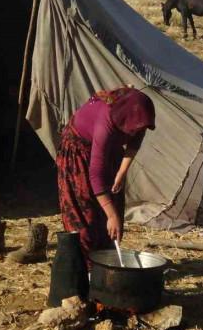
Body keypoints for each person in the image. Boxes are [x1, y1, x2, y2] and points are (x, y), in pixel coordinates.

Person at [56, 86, 156, 267]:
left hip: (109, 151)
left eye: (138, 129)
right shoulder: (106, 124)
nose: (134, 132)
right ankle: (85, 271)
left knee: (113, 204)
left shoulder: (137, 117)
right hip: (78, 152)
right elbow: (95, 175)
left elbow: (134, 144)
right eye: (132, 129)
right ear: (123, 120)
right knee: (85, 211)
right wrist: (111, 216)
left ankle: (106, 264)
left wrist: (121, 172)